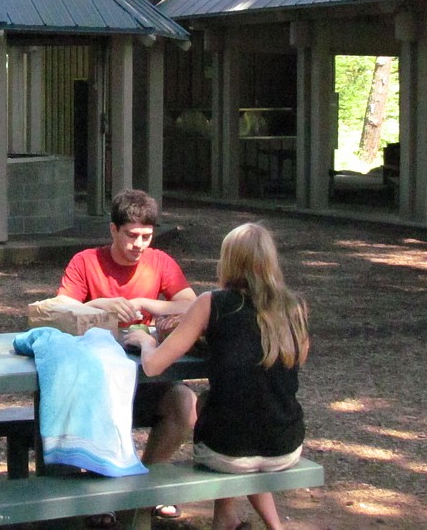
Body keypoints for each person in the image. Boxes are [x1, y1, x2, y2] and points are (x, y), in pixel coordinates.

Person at [125, 222, 310, 530]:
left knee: (217, 412)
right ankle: (234, 522)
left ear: (229, 261)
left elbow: (153, 366)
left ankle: (227, 521)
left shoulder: (212, 303)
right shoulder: (294, 306)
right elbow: (294, 357)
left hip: (228, 451)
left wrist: (145, 341)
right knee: (242, 411)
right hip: (286, 444)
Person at [57, 188, 197, 524]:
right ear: (113, 230)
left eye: (147, 237)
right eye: (131, 236)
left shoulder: (160, 262)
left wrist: (148, 306)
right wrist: (98, 305)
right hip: (96, 379)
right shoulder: (86, 261)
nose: (139, 245)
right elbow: (58, 311)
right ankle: (104, 490)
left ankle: (145, 484)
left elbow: (193, 304)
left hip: (146, 372)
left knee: (186, 404)